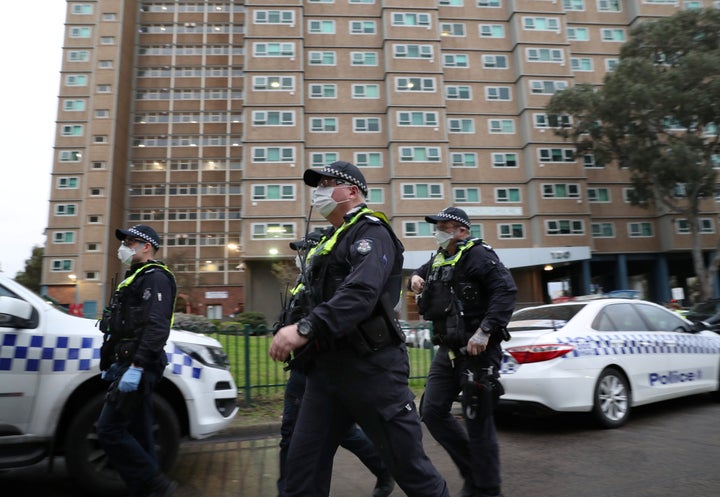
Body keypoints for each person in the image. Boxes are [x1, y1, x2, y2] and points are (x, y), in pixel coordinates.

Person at [269, 161, 450, 497]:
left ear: (352, 192)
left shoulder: (371, 233)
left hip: (372, 372)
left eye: (326, 184)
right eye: (318, 185)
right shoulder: (332, 241)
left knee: (412, 471)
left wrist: (306, 328)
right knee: (301, 473)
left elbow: (361, 293)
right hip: (325, 374)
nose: (318, 192)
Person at [276, 234, 395, 497]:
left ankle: (384, 467)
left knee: (330, 434)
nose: (301, 255)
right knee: (293, 433)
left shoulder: (327, 278)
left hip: (323, 365)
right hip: (302, 365)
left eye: (306, 249)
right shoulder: (301, 281)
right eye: (299, 250)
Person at [410, 207, 517, 497]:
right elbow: (420, 275)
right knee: (432, 412)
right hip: (448, 351)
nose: (439, 231)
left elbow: (505, 291)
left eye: (444, 226)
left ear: (462, 231)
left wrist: (485, 330)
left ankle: (488, 488)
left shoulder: (479, 256)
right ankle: (474, 471)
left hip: (478, 351)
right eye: (437, 226)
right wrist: (414, 280)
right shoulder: (439, 258)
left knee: (477, 419)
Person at [97, 224, 178, 497]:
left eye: (131, 242)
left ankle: (155, 483)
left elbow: (156, 327)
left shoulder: (155, 278)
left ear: (147, 247)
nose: (124, 246)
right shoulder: (135, 277)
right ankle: (149, 490)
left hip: (139, 365)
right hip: (127, 363)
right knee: (141, 432)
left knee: (108, 429)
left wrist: (136, 367)